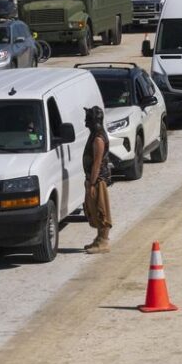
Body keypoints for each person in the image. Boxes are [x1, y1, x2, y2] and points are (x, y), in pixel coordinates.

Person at [82, 106, 113, 254]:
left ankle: (104, 242)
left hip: (98, 180)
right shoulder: (94, 135)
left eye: (88, 118)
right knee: (93, 209)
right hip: (93, 179)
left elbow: (97, 163)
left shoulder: (98, 138)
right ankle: (98, 238)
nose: (85, 121)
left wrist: (92, 183)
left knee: (102, 211)